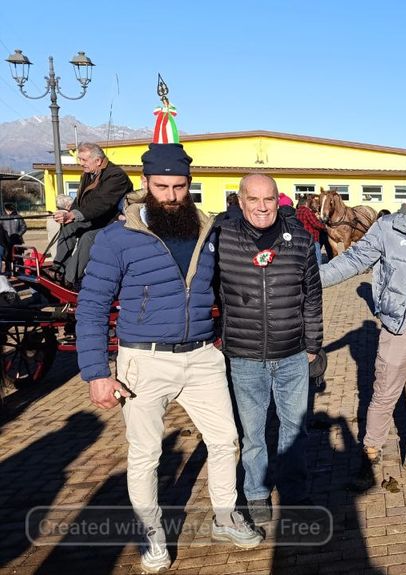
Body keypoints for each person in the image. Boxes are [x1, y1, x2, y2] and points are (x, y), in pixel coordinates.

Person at [76, 143, 262, 573]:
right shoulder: (118, 238)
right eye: (162, 187)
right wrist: (96, 372)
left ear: (189, 184)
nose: (172, 196)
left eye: (179, 186)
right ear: (145, 183)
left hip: (202, 357)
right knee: (145, 454)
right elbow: (91, 307)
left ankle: (225, 517)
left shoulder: (207, 230)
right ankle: (152, 534)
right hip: (144, 361)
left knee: (225, 440)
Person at [320, 168, 406, 489]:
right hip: (400, 328)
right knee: (384, 395)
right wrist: (312, 277)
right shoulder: (389, 227)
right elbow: (353, 260)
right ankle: (371, 451)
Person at [217, 173, 323, 524]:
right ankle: (257, 492)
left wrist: (313, 344)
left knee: (294, 429)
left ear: (278, 201)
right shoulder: (223, 239)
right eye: (253, 199)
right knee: (253, 433)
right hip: (245, 356)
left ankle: (294, 491)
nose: (262, 207)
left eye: (269, 199)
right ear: (241, 201)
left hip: (293, 353)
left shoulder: (300, 240)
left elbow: (313, 297)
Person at [53, 142, 133, 286]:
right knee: (68, 228)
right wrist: (68, 215)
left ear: (98, 161)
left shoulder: (116, 176)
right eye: (79, 159)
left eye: (84, 160)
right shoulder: (88, 174)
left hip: (115, 222)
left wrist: (74, 215)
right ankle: (58, 269)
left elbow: (101, 203)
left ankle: (70, 279)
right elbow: (80, 200)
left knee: (88, 237)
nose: (80, 163)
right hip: (98, 219)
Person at [295, 196, 327, 265]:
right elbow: (315, 223)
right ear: (306, 203)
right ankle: (318, 268)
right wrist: (325, 227)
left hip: (301, 238)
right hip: (312, 238)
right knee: (317, 256)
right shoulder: (307, 211)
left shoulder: (297, 211)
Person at [2, 203, 27, 273]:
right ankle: (8, 271)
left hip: (17, 240)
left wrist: (18, 235)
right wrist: (4, 237)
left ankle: (21, 270)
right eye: (8, 210)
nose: (10, 212)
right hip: (7, 241)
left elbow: (24, 227)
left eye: (11, 210)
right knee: (7, 256)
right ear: (5, 209)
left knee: (19, 256)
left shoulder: (18, 217)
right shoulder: (2, 218)